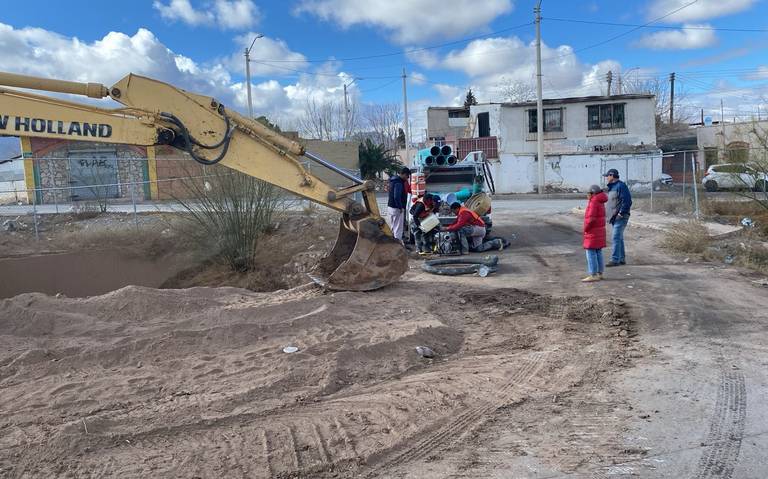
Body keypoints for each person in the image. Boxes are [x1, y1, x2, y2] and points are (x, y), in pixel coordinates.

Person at [603, 168, 632, 266]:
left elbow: (627, 201)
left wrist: (621, 213)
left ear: (612, 175)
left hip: (620, 217)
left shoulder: (621, 186)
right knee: (619, 238)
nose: (606, 178)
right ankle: (621, 259)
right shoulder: (612, 187)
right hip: (614, 217)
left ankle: (615, 260)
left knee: (615, 237)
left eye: (607, 176)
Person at [582, 184, 608, 282]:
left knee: (590, 252)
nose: (587, 196)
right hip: (599, 230)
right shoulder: (600, 201)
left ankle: (593, 274)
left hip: (592, 231)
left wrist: (586, 228)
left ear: (592, 193)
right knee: (598, 251)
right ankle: (600, 273)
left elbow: (591, 219)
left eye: (588, 193)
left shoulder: (593, 202)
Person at [387, 167, 410, 243]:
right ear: (403, 174)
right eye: (407, 176)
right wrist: (400, 207)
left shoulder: (392, 180)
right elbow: (396, 196)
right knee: (398, 228)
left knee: (393, 226)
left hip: (390, 206)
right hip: (397, 208)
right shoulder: (398, 182)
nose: (407, 178)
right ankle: (398, 244)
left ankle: (392, 242)